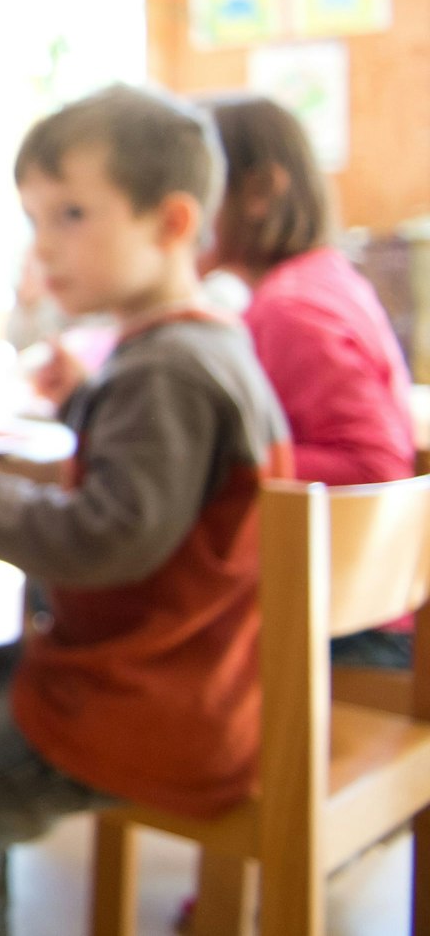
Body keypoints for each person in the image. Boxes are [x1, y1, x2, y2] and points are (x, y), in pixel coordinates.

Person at [0, 86, 290, 936]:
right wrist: (87, 398)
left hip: (154, 703)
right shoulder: (195, 346)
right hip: (190, 673)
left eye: (70, 214)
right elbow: (164, 495)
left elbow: (106, 538)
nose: (44, 245)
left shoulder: (164, 373)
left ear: (171, 223)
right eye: (34, 218)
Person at [205, 94, 417, 670]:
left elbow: (374, 467)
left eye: (196, 187)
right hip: (353, 600)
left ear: (256, 192)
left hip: (350, 624)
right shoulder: (318, 279)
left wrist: (231, 461)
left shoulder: (290, 308)